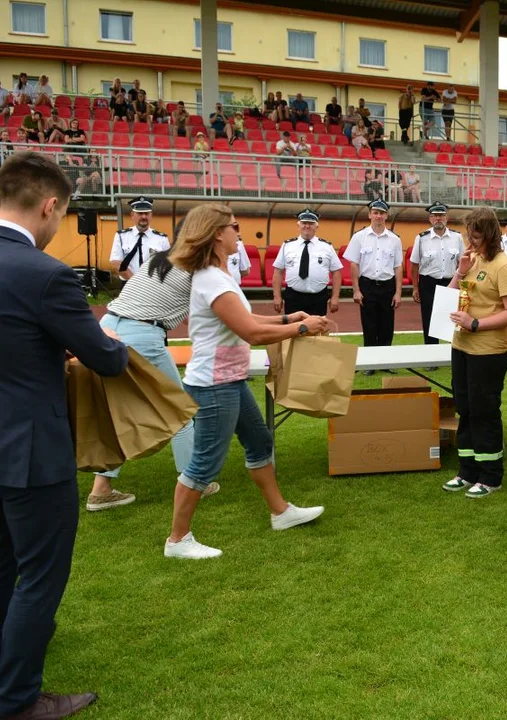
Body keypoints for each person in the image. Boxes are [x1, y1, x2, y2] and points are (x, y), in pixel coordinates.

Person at [0, 151, 129, 718]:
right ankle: (18, 699)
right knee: (41, 577)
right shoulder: (45, 273)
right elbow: (106, 357)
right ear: (50, 206)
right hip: (30, 450)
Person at [165, 204, 327, 559]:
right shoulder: (210, 278)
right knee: (205, 463)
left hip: (229, 379)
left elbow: (245, 318)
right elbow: (251, 332)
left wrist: (287, 316)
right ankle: (177, 540)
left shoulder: (220, 275)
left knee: (259, 441)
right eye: (233, 226)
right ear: (215, 233)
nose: (239, 231)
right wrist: (302, 327)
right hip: (214, 385)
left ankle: (281, 512)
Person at [89, 247, 207, 513]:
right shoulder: (197, 268)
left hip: (108, 326)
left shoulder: (159, 258)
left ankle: (101, 489)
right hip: (142, 333)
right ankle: (195, 481)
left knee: (119, 411)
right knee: (178, 408)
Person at [442, 207, 507, 498]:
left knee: (484, 411)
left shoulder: (505, 267)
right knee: (464, 408)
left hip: (488, 351)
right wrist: (460, 272)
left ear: (489, 234)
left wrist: (476, 323)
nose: (471, 240)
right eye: (468, 234)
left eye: (476, 235)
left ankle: (491, 476)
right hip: (461, 346)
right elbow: (451, 296)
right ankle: (467, 471)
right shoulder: (472, 259)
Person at [344, 200, 403, 361]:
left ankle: (384, 361)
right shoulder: (359, 237)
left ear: (386, 216)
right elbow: (354, 264)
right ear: (369, 214)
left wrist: (398, 293)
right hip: (367, 285)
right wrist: (356, 290)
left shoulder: (394, 239)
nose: (378, 216)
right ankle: (369, 362)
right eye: (375, 213)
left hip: (387, 286)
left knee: (387, 324)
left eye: (381, 213)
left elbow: (398, 267)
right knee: (369, 324)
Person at [410, 203, 464, 346]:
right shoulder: (421, 238)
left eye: (441, 215)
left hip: (450, 282)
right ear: (430, 218)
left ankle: (451, 352)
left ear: (447, 218)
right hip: (428, 283)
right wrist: (415, 288)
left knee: (450, 318)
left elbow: (463, 262)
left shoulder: (457, 237)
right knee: (429, 318)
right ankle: (430, 354)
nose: (438, 219)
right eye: (435, 216)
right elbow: (414, 265)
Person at [273, 209, 342, 316]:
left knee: (318, 330)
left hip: (318, 298)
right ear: (299, 225)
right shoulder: (287, 245)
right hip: (293, 297)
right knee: (293, 330)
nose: (307, 226)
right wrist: (277, 296)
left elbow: (336, 273)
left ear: (316, 226)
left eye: (311, 223)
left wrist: (335, 297)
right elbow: (278, 271)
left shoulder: (326, 246)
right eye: (304, 223)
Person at [110, 196, 170, 281]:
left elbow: (167, 264)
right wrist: (135, 282)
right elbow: (115, 262)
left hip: (152, 285)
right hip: (128, 284)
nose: (144, 217)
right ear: (132, 215)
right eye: (140, 213)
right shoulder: (121, 236)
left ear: (151, 215)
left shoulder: (161, 239)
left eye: (146, 213)